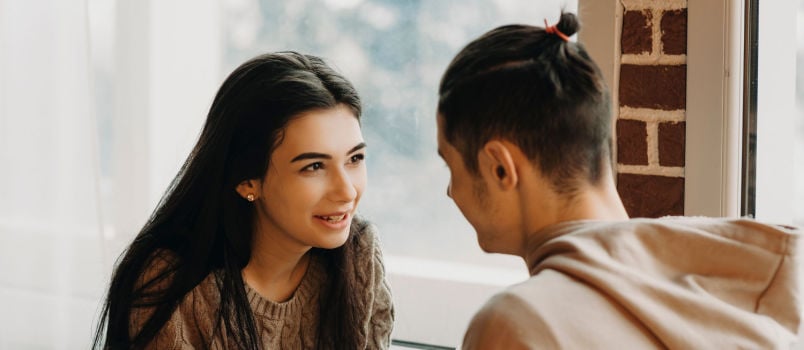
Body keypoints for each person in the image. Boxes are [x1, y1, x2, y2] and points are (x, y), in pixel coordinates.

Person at [436, 12, 802, 349]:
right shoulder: (761, 278)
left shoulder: (517, 326)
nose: (450, 192)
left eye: (451, 166)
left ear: (500, 168)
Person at [93, 52, 394, 349]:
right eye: (314, 166)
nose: (347, 191)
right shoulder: (173, 285)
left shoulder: (360, 256)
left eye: (355, 158)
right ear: (247, 181)